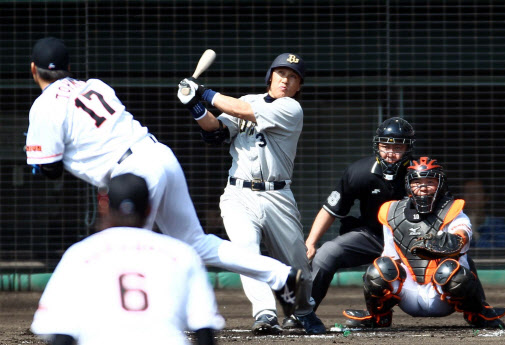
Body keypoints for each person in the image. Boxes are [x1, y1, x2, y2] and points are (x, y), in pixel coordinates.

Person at [25, 37, 302, 319]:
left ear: (34, 69)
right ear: (69, 67)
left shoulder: (44, 106)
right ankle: (280, 274)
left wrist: (36, 157)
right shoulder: (94, 86)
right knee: (195, 242)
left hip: (133, 174)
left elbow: (51, 169)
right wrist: (197, 105)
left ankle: (137, 317)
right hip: (159, 154)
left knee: (126, 247)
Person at [176, 53, 326, 335]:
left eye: (293, 76)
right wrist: (195, 106)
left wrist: (203, 92)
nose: (286, 80)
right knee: (246, 251)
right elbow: (217, 131)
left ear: (298, 86)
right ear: (271, 76)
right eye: (281, 73)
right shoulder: (249, 99)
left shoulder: (291, 109)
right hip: (238, 194)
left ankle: (302, 311)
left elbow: (243, 111)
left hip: (277, 195)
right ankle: (265, 313)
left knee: (298, 268)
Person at [31, 173, 225, 345]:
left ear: (103, 205)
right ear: (150, 209)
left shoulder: (80, 254)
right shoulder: (182, 253)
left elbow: (62, 334)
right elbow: (204, 330)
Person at [343, 157, 505, 328]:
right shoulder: (392, 211)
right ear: (408, 184)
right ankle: (378, 316)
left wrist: (444, 243)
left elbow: (462, 235)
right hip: (409, 292)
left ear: (440, 184)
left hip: (441, 293)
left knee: (451, 270)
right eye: (417, 182)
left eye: (430, 181)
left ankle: (477, 313)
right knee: (380, 267)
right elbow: (390, 253)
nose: (423, 187)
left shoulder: (453, 210)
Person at [305, 117, 415, 310]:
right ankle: (303, 312)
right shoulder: (360, 172)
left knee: (454, 266)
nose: (390, 153)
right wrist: (311, 242)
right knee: (327, 253)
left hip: (413, 241)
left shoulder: (423, 174)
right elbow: (331, 209)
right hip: (372, 236)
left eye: (398, 147)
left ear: (408, 148)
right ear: (377, 146)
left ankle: (478, 309)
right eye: (385, 147)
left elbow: (445, 211)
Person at [462, 179, 505, 248]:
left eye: (476, 191)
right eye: (468, 191)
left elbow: (500, 252)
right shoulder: (456, 223)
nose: (472, 196)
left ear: (486, 198)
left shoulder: (497, 224)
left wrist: (475, 233)